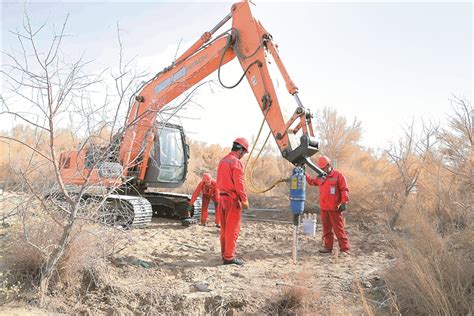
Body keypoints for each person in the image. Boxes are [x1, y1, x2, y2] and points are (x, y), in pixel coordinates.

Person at [306, 155, 350, 256]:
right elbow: (312, 182)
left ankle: (345, 249)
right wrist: (305, 174)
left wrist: (344, 202)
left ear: (329, 165)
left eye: (324, 168)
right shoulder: (321, 177)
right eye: (321, 169)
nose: (322, 170)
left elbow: (344, 189)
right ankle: (328, 247)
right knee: (326, 229)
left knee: (339, 229)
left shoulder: (339, 176)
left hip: (335, 208)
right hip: (324, 208)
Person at [216, 137, 250, 266]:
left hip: (222, 199)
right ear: (241, 150)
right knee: (232, 230)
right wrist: (244, 199)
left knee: (224, 229)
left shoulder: (223, 161)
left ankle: (224, 254)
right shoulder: (235, 162)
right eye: (244, 153)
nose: (243, 156)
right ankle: (229, 257)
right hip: (232, 200)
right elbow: (239, 183)